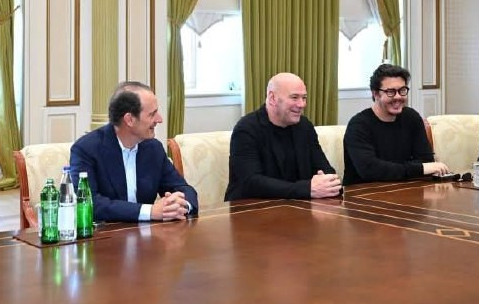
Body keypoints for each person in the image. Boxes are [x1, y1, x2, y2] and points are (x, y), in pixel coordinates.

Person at [70, 81, 198, 222]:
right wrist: (150, 211)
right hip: (107, 233)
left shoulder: (153, 148)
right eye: (152, 114)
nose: (159, 119)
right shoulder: (86, 149)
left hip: (148, 233)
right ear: (129, 119)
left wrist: (180, 205)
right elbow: (89, 203)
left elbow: (181, 187)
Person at [225, 72, 341, 201]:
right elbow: (251, 182)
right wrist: (306, 189)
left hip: (297, 205)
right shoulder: (246, 129)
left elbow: (325, 169)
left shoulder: (304, 127)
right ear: (272, 98)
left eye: (304, 98)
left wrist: (329, 183)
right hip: (252, 208)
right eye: (294, 97)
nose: (302, 104)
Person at [343, 64, 449, 185]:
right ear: (375, 94)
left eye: (402, 90)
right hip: (366, 192)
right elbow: (370, 169)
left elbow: (426, 160)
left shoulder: (411, 117)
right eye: (391, 92)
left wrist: (400, 169)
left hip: (407, 189)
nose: (398, 97)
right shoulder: (358, 125)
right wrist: (418, 168)